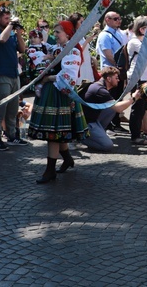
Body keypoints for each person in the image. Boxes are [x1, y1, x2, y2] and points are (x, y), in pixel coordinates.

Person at [27, 20, 88, 183]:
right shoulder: (59, 48)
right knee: (57, 132)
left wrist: (47, 78)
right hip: (52, 92)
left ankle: (50, 171)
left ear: (68, 34)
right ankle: (67, 159)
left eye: (57, 32)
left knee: (54, 134)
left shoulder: (73, 50)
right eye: (54, 32)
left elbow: (69, 76)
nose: (55, 35)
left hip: (61, 93)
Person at [0, 5, 27, 150]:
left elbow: (22, 49)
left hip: (14, 75)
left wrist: (18, 33)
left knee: (13, 108)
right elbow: (2, 40)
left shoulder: (10, 32)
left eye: (10, 18)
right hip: (1, 75)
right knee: (0, 108)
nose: (9, 20)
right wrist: (10, 25)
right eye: (6, 18)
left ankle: (12, 135)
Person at [80, 66, 142, 152]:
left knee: (110, 109)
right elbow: (118, 108)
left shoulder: (100, 86)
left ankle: (98, 133)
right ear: (108, 79)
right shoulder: (100, 90)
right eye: (116, 78)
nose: (118, 80)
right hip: (86, 123)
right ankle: (80, 138)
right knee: (107, 145)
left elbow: (114, 107)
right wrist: (133, 98)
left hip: (92, 120)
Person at [125, 16, 147, 144]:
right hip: (137, 78)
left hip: (146, 77)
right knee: (137, 107)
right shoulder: (134, 41)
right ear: (141, 29)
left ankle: (139, 132)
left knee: (143, 107)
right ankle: (135, 136)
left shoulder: (144, 41)